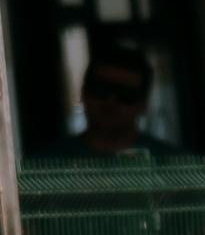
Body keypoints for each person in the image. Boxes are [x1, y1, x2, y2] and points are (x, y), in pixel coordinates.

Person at [31, 39, 184, 162]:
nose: (111, 102)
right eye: (101, 90)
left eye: (126, 94)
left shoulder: (173, 164)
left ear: (143, 103)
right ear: (84, 93)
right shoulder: (49, 164)